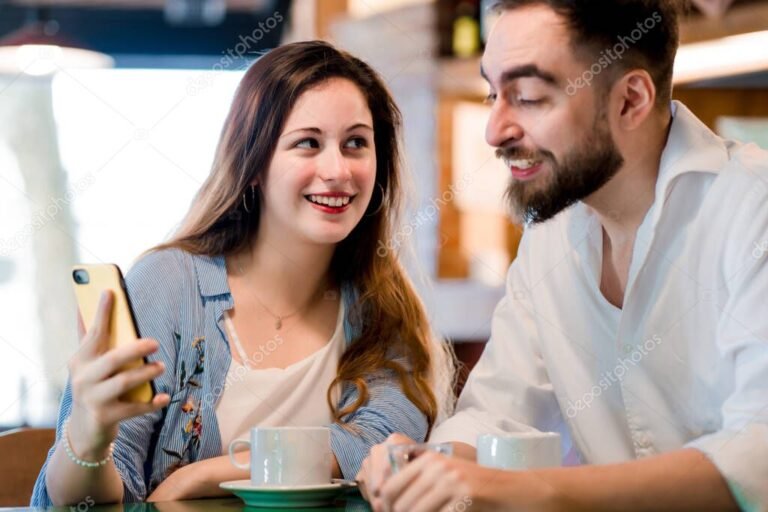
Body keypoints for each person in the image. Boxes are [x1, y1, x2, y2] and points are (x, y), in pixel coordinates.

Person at [358, 1, 768, 511]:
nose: (495, 130)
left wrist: (529, 490)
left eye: (528, 97)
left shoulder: (753, 206)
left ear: (630, 100)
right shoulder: (550, 235)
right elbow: (497, 414)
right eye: (492, 93)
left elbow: (758, 453)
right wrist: (429, 465)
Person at [31, 40, 454, 506]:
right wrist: (89, 438)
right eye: (307, 143)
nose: (337, 170)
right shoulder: (168, 285)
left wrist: (208, 475)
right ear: (253, 165)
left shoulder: (385, 305)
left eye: (355, 143)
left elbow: (379, 442)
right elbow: (88, 500)